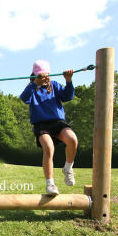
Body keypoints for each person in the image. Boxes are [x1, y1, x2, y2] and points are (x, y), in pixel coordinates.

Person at [20, 59, 78, 196]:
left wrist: (69, 81)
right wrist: (35, 84)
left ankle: (68, 168)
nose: (44, 79)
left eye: (45, 75)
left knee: (73, 140)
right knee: (48, 147)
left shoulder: (55, 86)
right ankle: (50, 183)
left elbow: (68, 96)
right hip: (41, 124)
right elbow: (24, 98)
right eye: (40, 76)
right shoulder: (32, 89)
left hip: (57, 122)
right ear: (34, 76)